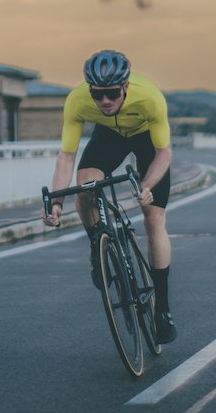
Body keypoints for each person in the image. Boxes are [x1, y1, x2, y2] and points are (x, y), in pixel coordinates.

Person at [43, 49, 177, 344]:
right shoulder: (77, 101)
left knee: (154, 219)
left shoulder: (149, 97)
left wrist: (147, 185)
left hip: (146, 140)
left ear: (125, 87)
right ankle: (97, 243)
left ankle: (163, 310)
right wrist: (55, 202)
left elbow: (164, 152)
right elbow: (66, 157)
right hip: (109, 136)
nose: (104, 101)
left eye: (112, 93)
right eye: (97, 94)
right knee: (85, 188)